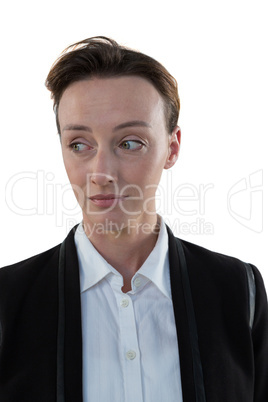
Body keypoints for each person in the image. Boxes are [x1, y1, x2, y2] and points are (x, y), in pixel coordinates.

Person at [0, 36, 267, 402]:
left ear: (171, 148)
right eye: (80, 144)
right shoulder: (7, 301)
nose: (101, 172)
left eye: (129, 143)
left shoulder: (240, 292)